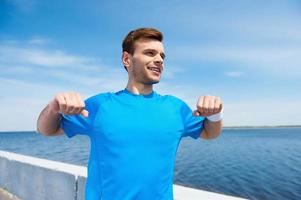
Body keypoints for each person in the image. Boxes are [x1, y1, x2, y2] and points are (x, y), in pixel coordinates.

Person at [37, 27, 223, 200]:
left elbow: (209, 133)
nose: (159, 59)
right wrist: (53, 107)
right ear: (127, 59)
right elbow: (47, 129)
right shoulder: (101, 105)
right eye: (150, 53)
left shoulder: (175, 108)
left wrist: (215, 114)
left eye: (162, 55)